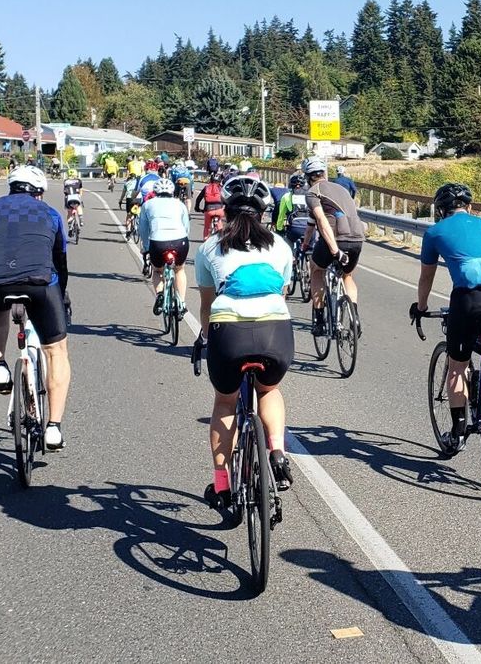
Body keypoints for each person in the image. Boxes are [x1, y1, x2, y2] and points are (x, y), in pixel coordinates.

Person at [194, 175, 295, 511]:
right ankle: (277, 451)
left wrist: (204, 338)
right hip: (274, 329)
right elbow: (281, 294)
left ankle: (222, 484)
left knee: (225, 402)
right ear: (263, 213)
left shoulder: (210, 246)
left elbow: (207, 305)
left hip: (228, 331)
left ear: (225, 211)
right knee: (269, 390)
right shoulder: (281, 245)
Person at [411, 183, 481, 451]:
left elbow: (426, 277)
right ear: (469, 207)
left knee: (457, 366)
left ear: (440, 210)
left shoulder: (434, 232)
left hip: (469, 297)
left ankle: (457, 433)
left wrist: (421, 307)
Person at [0, 166, 74, 450]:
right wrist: (62, 295)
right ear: (39, 192)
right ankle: (53, 428)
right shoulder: (50, 214)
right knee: (56, 351)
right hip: (39, 282)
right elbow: (60, 261)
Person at [302, 157, 367, 336]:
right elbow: (313, 222)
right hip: (357, 238)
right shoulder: (342, 189)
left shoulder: (312, 193)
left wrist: (334, 250)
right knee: (347, 275)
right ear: (325, 173)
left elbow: (321, 220)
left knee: (316, 269)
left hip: (336, 238)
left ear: (307, 177)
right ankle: (354, 318)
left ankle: (319, 320)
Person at [137, 177, 192, 317]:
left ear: (155, 192)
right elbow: (186, 226)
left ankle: (160, 294)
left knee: (157, 271)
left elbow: (143, 229)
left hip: (158, 242)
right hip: (180, 240)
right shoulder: (179, 204)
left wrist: (146, 247)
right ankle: (182, 303)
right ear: (172, 191)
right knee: (179, 270)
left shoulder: (147, 205)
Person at [274, 174, 311, 254]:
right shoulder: (309, 195)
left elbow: (281, 215)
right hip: (310, 228)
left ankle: (291, 257)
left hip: (295, 227)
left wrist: (279, 229)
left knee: (288, 243)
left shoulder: (286, 196)